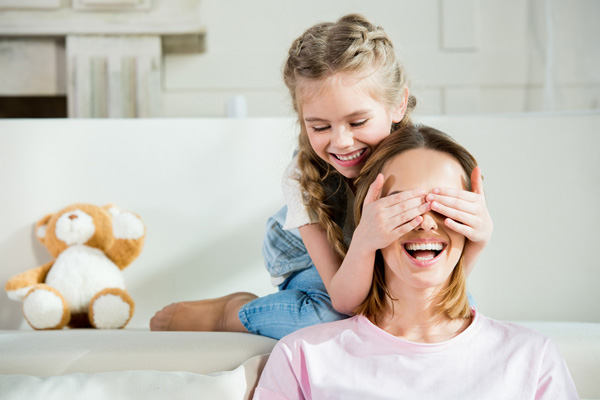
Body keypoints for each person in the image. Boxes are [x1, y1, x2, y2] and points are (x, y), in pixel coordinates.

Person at [150, 14, 492, 340]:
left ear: (397, 105)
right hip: (302, 248)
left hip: (382, 256)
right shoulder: (302, 177)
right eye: (320, 126)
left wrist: (478, 240)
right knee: (333, 319)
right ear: (302, 119)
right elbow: (346, 300)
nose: (341, 141)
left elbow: (444, 280)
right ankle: (232, 313)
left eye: (357, 123)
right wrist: (365, 240)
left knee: (460, 311)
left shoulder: (419, 158)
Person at [253, 125, 579, 399]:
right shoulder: (303, 357)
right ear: (367, 222)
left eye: (445, 205)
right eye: (403, 206)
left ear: (474, 218)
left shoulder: (532, 358)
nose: (425, 222)